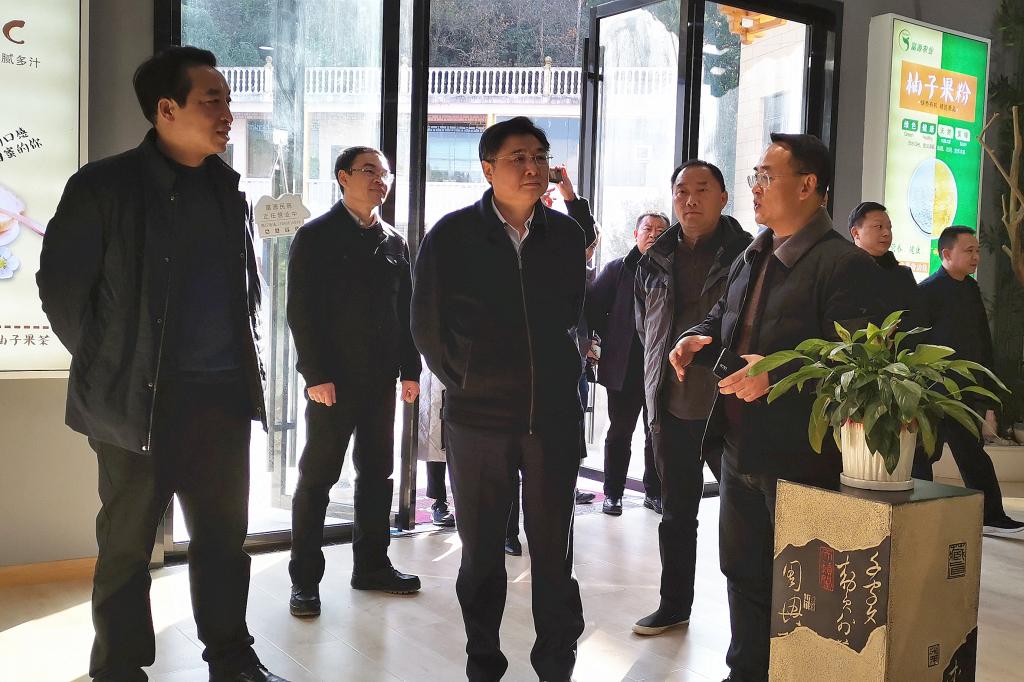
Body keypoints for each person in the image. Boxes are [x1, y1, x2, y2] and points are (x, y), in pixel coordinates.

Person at [36, 47, 287, 682]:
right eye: (213, 100)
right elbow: (61, 290)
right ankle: (118, 669)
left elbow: (244, 290)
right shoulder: (103, 186)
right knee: (126, 546)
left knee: (223, 541)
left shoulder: (227, 189)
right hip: (135, 402)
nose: (227, 112)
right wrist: (112, 366)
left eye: (227, 99)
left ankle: (231, 659)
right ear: (167, 110)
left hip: (220, 399)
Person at [669, 133, 883, 682]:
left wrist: (778, 372)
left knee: (804, 589)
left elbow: (857, 363)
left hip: (799, 456)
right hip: (739, 445)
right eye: (755, 177)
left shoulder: (843, 264)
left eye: (766, 177)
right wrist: (696, 337)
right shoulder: (755, 252)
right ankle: (745, 673)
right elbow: (723, 319)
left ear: (808, 185)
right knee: (742, 573)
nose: (756, 188)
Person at [411, 116, 586, 682]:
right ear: (488, 169)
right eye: (518, 158)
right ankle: (483, 661)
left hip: (552, 416)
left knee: (554, 552)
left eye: (540, 156)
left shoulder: (565, 236)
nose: (533, 167)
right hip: (478, 419)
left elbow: (571, 313)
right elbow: (426, 323)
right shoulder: (453, 234)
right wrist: (466, 378)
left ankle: (556, 663)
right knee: (482, 553)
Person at [286, 146, 423, 617]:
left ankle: (372, 566)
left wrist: (410, 370)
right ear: (343, 177)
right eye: (369, 171)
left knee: (377, 475)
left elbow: (406, 312)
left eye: (385, 173)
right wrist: (315, 374)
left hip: (380, 381)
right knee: (318, 478)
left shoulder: (394, 242)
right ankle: (305, 580)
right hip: (332, 383)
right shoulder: (315, 236)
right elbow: (300, 311)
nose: (380, 179)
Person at [633, 160, 752, 636]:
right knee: (677, 514)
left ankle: (751, 626)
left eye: (702, 189)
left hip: (733, 406)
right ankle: (673, 605)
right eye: (681, 190)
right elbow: (646, 328)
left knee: (745, 519)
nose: (690, 199)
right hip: (673, 406)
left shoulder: (749, 255)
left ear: (723, 197)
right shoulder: (654, 258)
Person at [505, 163, 597, 557]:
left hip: (562, 367)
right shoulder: (494, 234)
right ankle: (508, 531)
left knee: (553, 462)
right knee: (508, 458)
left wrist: (570, 197)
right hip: (508, 373)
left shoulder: (561, 237)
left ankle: (550, 542)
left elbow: (586, 237)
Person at [913, 226, 1024, 536]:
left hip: (963, 391)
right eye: (969, 250)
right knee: (923, 455)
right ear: (946, 254)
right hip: (932, 392)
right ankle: (919, 517)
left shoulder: (971, 288)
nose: (976, 256)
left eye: (977, 250)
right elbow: (913, 344)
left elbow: (982, 342)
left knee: (973, 453)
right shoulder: (926, 292)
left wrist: (987, 393)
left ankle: (992, 516)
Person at [586, 211, 669, 517]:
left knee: (656, 433)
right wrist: (607, 341)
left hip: (661, 365)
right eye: (648, 229)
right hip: (625, 365)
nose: (654, 234)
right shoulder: (618, 269)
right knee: (620, 432)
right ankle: (613, 494)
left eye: (661, 230)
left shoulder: (673, 271)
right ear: (636, 234)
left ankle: (654, 492)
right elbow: (593, 309)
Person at [848, 201, 922, 328]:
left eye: (889, 227)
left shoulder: (903, 275)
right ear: (856, 233)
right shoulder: (843, 271)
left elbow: (918, 319)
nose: (886, 233)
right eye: (879, 227)